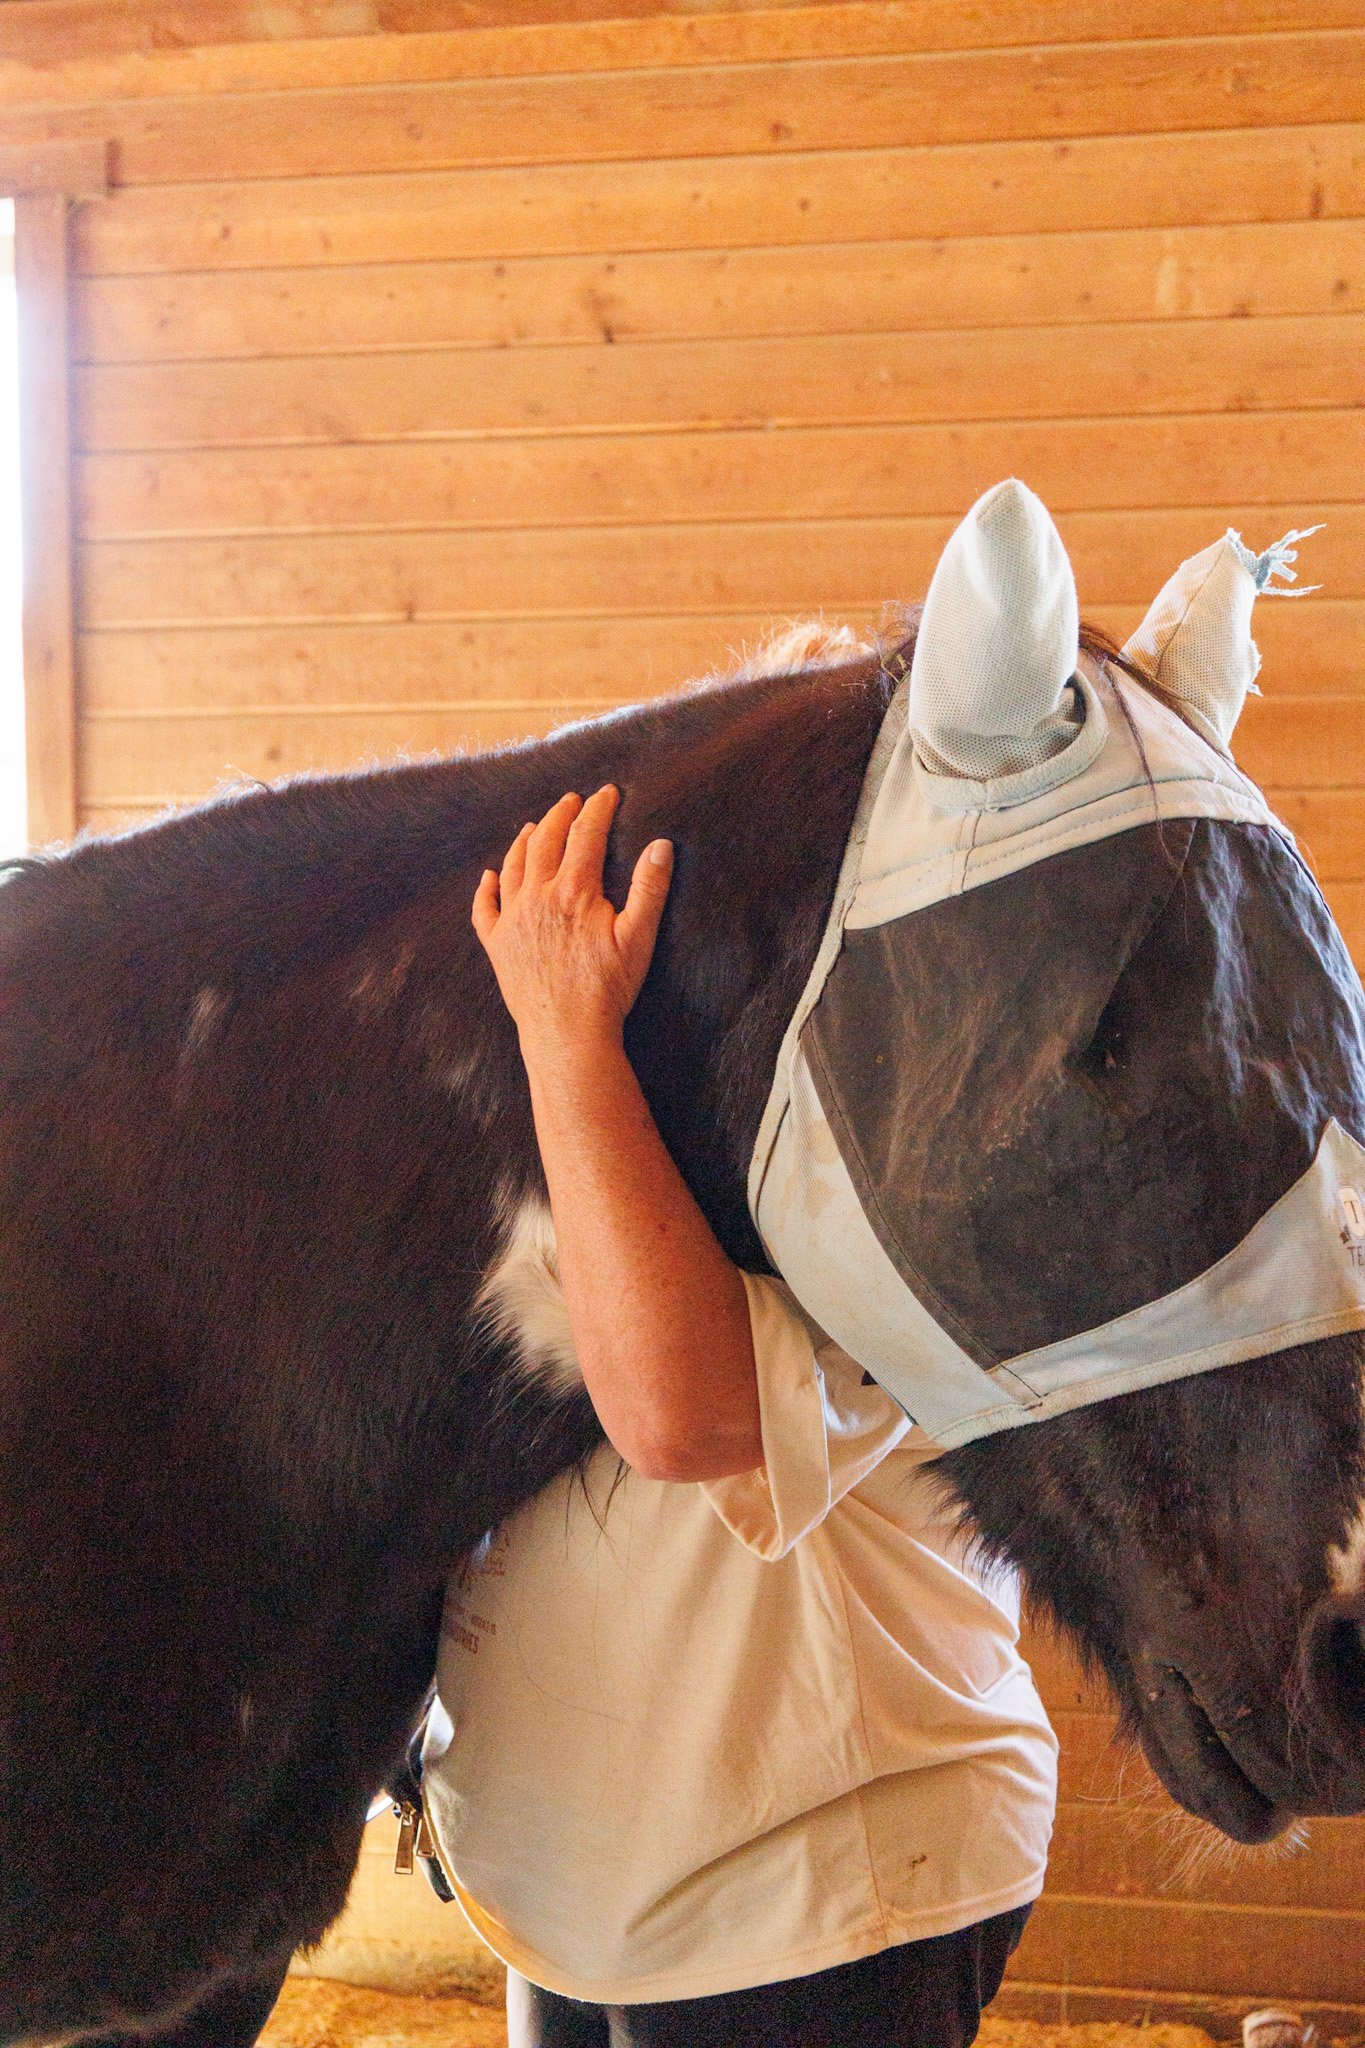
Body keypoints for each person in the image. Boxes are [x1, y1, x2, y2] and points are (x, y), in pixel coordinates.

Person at [419, 784, 1058, 2048]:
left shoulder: (923, 1182)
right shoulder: (651, 1136)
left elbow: (683, 1409)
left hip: (810, 1889)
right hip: (596, 1881)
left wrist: (562, 1029)